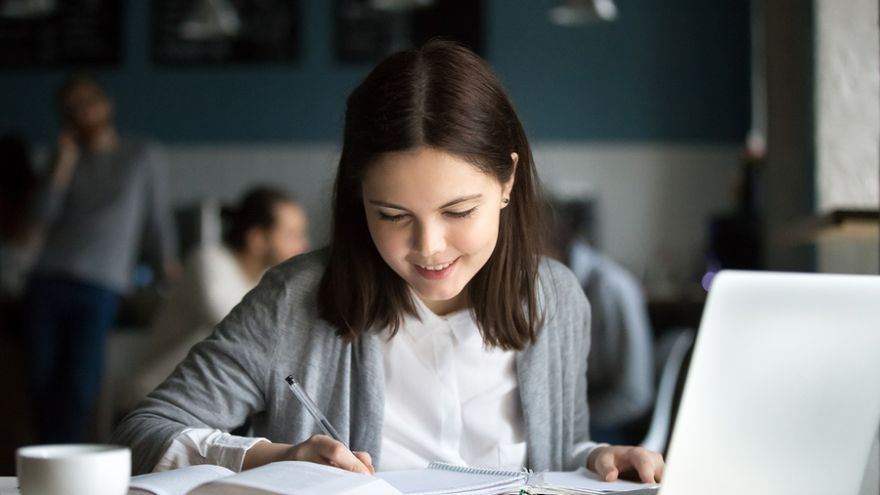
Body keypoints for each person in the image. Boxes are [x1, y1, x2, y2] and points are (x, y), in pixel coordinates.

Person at [113, 41, 665, 483]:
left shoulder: (556, 297)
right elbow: (142, 434)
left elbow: (556, 453)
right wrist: (271, 457)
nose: (428, 247)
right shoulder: (294, 299)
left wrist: (598, 457)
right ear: (359, 198)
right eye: (393, 214)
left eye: (457, 210)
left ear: (507, 181)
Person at [22, 74, 179, 443]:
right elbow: (39, 220)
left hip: (101, 284)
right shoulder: (64, 158)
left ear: (106, 104)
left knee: (79, 385)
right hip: (47, 279)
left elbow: (158, 217)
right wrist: (61, 166)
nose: (83, 112)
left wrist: (169, 269)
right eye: (72, 107)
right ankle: (42, 462)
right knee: (40, 382)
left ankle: (69, 467)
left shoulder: (141, 154)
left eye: (88, 101)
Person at [124, 186, 309, 409]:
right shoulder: (208, 260)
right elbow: (237, 327)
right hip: (157, 399)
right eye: (292, 235)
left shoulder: (264, 278)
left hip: (208, 404)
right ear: (256, 238)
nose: (303, 246)